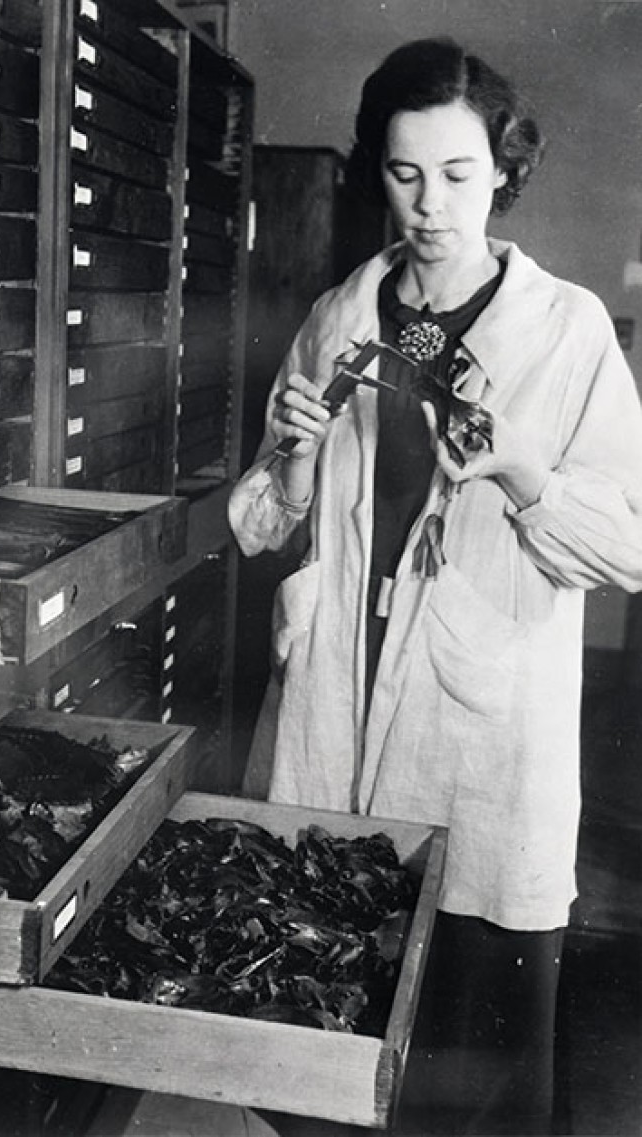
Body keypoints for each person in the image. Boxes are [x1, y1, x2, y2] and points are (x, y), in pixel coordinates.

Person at [228, 37, 642, 1135]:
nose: (429, 204)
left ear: (503, 168)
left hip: (483, 730)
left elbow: (627, 544)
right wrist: (295, 458)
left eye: (457, 175)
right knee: (319, 1036)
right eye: (405, 173)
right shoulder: (337, 316)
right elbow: (262, 528)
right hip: (335, 699)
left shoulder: (565, 331)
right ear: (377, 171)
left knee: (467, 1070)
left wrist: (523, 474)